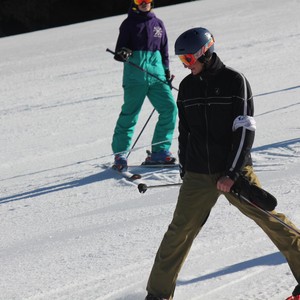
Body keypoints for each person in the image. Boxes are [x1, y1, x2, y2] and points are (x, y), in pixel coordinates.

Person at [144, 27, 300, 300]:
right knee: (178, 233)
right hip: (197, 173)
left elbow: (244, 130)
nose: (185, 66)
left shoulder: (234, 81)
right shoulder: (188, 88)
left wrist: (231, 172)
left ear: (205, 51)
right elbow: (186, 132)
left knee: (271, 220)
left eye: (189, 60)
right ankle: (157, 296)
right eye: (182, 61)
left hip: (234, 171)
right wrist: (185, 167)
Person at [111, 0, 177, 170]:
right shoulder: (128, 24)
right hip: (135, 77)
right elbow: (119, 51)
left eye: (147, 0)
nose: (144, 3)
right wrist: (124, 53)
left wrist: (166, 72)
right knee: (130, 114)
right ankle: (120, 154)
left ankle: (160, 151)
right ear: (134, 3)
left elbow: (164, 52)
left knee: (170, 109)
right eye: (140, 0)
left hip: (157, 76)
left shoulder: (158, 24)